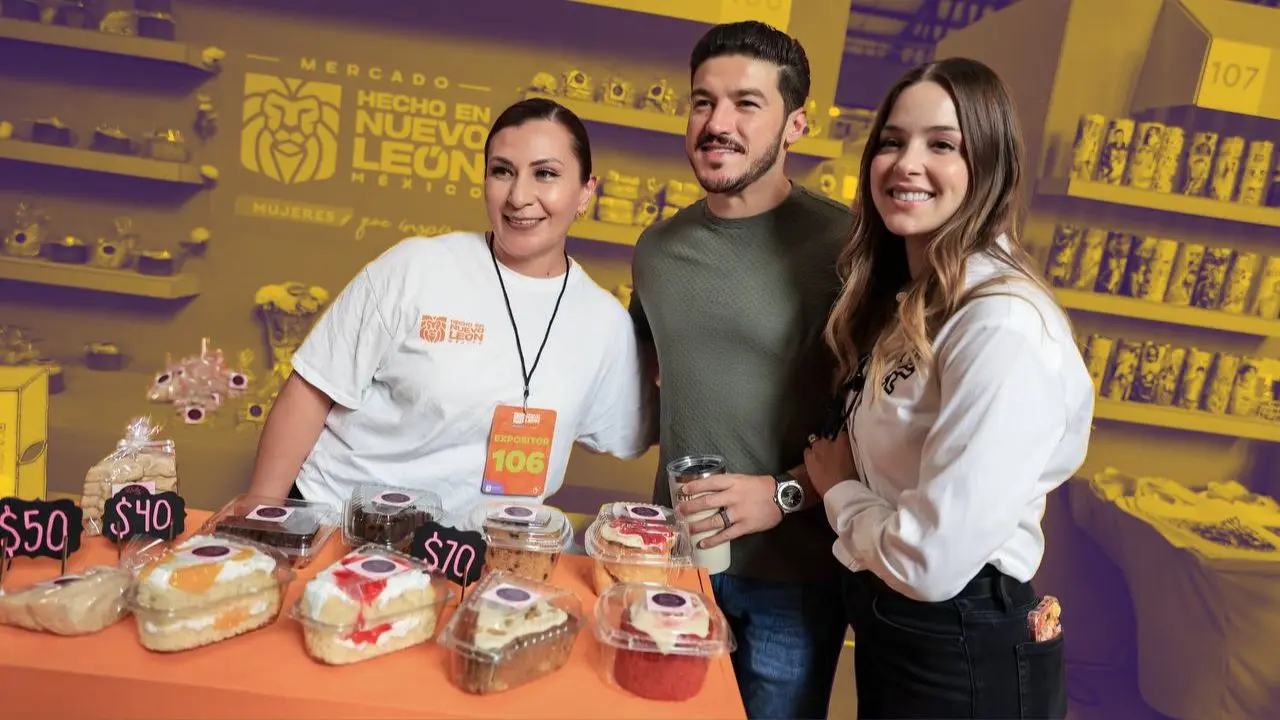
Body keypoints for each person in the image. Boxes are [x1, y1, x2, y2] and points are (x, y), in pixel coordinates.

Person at [803, 57, 1093, 719]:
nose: (906, 163)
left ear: (989, 165)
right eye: (891, 141)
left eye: (942, 145)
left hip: (963, 638)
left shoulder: (1003, 325)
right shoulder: (921, 300)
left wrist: (840, 491)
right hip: (903, 628)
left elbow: (929, 562)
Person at [246, 97, 654, 523]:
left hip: (477, 555)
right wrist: (259, 519)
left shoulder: (604, 324)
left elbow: (634, 428)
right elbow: (310, 392)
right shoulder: (415, 267)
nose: (518, 196)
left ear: (586, 192)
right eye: (502, 171)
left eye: (545, 174)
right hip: (342, 527)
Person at [629, 21, 854, 720]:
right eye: (703, 101)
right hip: (677, 561)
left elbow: (886, 425)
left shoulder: (846, 248)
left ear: (796, 124)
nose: (717, 123)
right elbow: (647, 385)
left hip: (797, 579)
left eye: (746, 104)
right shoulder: (658, 250)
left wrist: (786, 493)